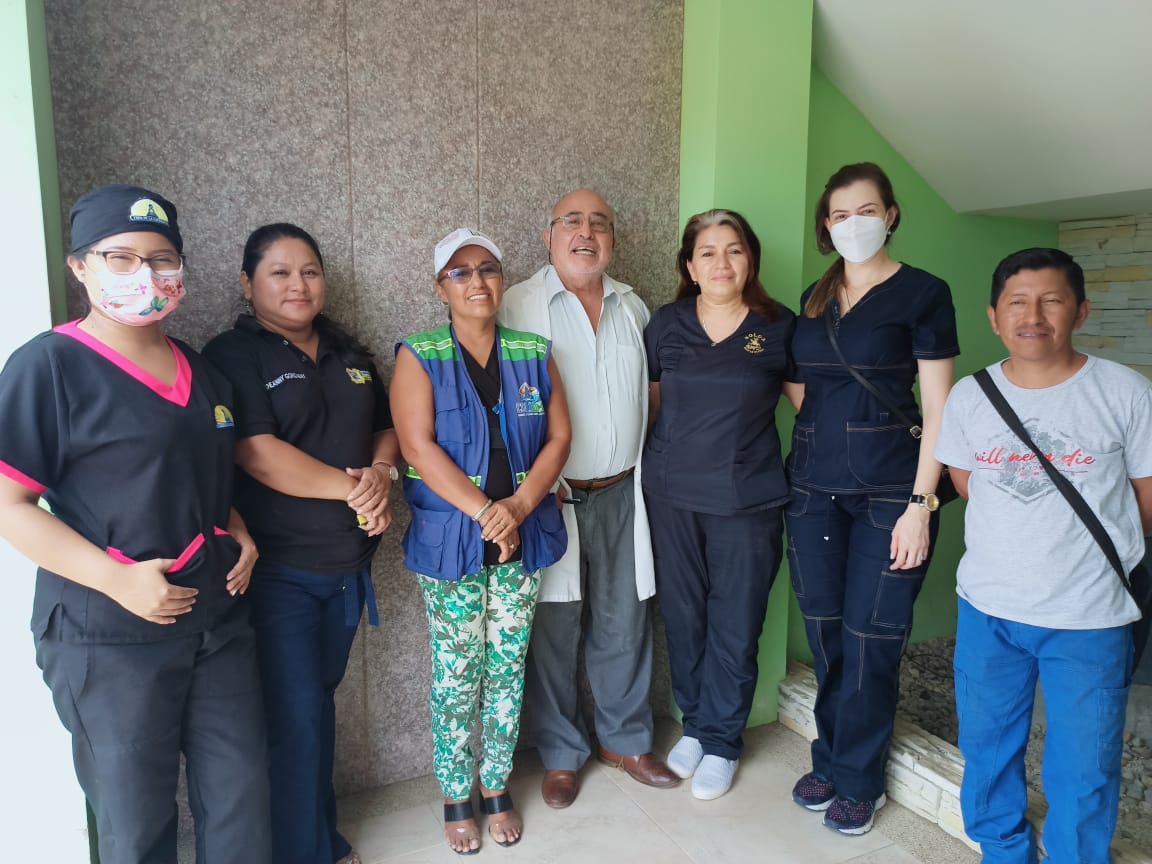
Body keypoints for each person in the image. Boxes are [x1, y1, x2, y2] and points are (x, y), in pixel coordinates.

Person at [0, 184, 271, 863]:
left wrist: (237, 527)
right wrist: (116, 580)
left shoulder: (199, 371)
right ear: (80, 266)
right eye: (120, 257)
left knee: (240, 801)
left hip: (216, 623)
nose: (144, 274)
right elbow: (9, 504)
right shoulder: (50, 367)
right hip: (109, 638)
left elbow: (199, 476)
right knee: (135, 822)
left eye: (161, 258)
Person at [936, 248, 1152, 863]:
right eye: (1017, 303)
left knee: (1084, 765)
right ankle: (1001, 849)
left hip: (1089, 616)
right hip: (988, 609)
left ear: (1079, 311)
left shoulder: (1127, 393)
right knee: (986, 747)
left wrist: (1073, 554)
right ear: (994, 316)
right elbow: (966, 482)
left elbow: (1145, 499)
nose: (1033, 316)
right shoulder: (971, 396)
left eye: (1052, 301)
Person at [203, 223, 398, 864]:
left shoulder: (348, 352)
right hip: (278, 572)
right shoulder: (234, 355)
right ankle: (309, 850)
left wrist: (382, 473)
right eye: (280, 272)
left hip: (347, 570)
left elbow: (386, 428)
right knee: (294, 715)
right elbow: (257, 454)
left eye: (309, 271)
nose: (298, 285)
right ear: (247, 283)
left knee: (315, 704)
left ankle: (314, 835)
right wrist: (355, 493)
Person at [785, 162, 958, 834]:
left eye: (865, 210)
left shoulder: (923, 293)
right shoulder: (815, 297)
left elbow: (939, 409)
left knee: (872, 637)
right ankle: (829, 760)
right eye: (839, 214)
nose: (852, 223)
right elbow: (803, 387)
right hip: (813, 490)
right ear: (826, 227)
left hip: (892, 494)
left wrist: (921, 505)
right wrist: (832, 433)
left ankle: (861, 779)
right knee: (827, 631)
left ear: (890, 215)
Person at [498, 189, 681, 809]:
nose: (586, 233)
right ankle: (560, 753)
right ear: (548, 236)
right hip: (549, 496)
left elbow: (651, 395)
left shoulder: (633, 306)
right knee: (553, 626)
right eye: (572, 222)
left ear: (613, 241)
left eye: (599, 224)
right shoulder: (517, 304)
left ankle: (625, 741)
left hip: (624, 491)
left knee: (625, 619)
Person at [391, 228, 571, 854]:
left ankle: (495, 784)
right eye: (460, 272)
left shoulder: (533, 352)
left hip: (522, 536)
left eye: (488, 269)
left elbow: (558, 438)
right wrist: (487, 511)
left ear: (502, 279)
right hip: (452, 543)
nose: (477, 281)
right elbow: (416, 447)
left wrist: (518, 506)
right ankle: (454, 792)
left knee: (507, 668)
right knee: (457, 673)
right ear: (440, 287)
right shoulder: (419, 355)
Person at [642, 209, 798, 799]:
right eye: (707, 252)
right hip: (671, 495)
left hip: (746, 498)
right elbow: (653, 405)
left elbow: (808, 407)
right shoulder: (666, 323)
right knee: (684, 617)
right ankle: (696, 725)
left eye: (733, 250)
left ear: (750, 259)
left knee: (736, 620)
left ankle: (724, 740)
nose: (721, 262)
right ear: (690, 266)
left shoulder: (778, 327)